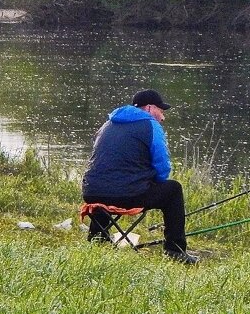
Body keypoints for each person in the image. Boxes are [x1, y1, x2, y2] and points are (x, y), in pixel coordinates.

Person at [81, 88, 199, 265]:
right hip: (126, 196)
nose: (163, 117)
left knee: (108, 185)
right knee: (173, 189)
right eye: (161, 111)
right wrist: (152, 181)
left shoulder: (108, 124)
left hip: (91, 192)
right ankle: (175, 250)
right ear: (150, 108)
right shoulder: (151, 125)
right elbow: (163, 167)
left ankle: (98, 238)